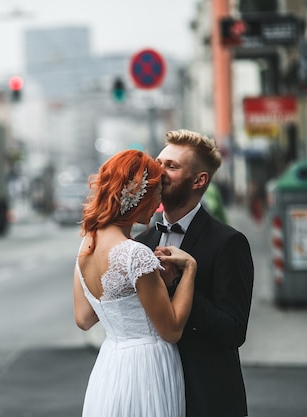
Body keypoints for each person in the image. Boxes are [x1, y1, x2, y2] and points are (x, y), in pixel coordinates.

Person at [136, 129, 254, 417]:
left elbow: (233, 331)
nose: (158, 172)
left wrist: (177, 282)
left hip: (205, 397)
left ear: (199, 180)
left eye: (171, 166)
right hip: (152, 392)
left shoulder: (228, 242)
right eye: (158, 162)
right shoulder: (141, 243)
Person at [73, 149, 198, 417]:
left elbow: (84, 318)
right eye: (156, 196)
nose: (158, 205)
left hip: (111, 365)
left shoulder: (87, 245)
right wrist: (189, 270)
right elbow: (171, 330)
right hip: (147, 367)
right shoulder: (134, 253)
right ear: (139, 197)